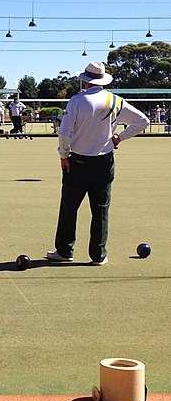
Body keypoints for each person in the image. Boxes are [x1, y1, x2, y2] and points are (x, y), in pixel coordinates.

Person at [47, 61, 149, 266]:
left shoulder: (76, 101)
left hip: (78, 161)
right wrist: (119, 138)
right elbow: (142, 121)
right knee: (101, 209)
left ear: (85, 81)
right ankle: (98, 255)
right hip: (104, 162)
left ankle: (65, 251)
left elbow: (64, 133)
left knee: (69, 207)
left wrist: (63, 156)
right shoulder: (115, 101)